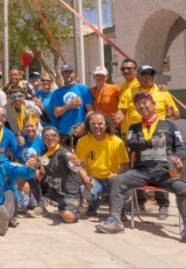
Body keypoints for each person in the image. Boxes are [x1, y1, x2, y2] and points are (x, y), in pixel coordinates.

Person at [95, 92, 186, 241]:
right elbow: (132, 144)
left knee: (183, 187)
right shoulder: (134, 127)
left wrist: (178, 158)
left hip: (165, 172)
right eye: (138, 104)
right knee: (118, 180)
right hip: (141, 171)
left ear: (154, 105)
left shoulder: (169, 125)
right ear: (136, 108)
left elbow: (181, 146)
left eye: (145, 102)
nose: (142, 106)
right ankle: (115, 221)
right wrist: (150, 143)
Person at [115, 64, 179, 216]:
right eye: (144, 74)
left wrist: (172, 113)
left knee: (161, 168)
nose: (148, 77)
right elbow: (121, 112)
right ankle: (141, 202)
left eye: (151, 74)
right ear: (138, 76)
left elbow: (175, 115)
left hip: (160, 137)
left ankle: (163, 204)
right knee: (138, 167)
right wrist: (117, 119)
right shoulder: (129, 92)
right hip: (137, 136)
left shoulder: (162, 92)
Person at [75, 112, 129, 217]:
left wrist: (116, 175)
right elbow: (81, 165)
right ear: (88, 126)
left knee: (127, 189)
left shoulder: (116, 141)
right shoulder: (82, 141)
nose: (96, 126)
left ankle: (119, 210)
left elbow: (125, 164)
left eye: (100, 123)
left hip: (113, 179)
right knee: (84, 190)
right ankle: (93, 205)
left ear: (106, 125)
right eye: (93, 123)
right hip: (94, 179)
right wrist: (86, 178)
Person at [38, 127, 86, 224]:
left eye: (53, 135)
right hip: (54, 192)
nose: (50, 138)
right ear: (43, 140)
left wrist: (76, 163)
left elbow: (75, 167)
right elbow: (43, 171)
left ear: (58, 138)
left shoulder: (64, 152)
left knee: (68, 217)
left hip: (69, 194)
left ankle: (77, 207)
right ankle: (39, 205)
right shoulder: (44, 155)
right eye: (46, 136)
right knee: (31, 172)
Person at [51, 65, 94, 144]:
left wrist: (84, 125)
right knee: (66, 155)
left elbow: (90, 111)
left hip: (81, 130)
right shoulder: (58, 92)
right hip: (64, 131)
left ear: (75, 74)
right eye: (64, 73)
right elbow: (56, 113)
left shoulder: (84, 89)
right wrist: (69, 105)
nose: (67, 74)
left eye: (70, 72)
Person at [113, 58, 140, 136]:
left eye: (129, 68)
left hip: (140, 128)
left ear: (136, 70)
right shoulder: (122, 86)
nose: (125, 71)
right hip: (126, 129)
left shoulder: (141, 84)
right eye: (123, 69)